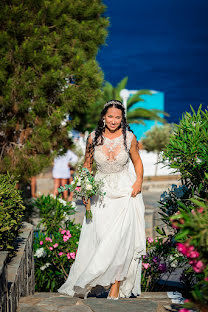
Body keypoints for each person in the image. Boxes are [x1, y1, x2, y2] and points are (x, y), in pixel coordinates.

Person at [58, 100, 146, 299]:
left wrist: (138, 181)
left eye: (117, 117)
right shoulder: (92, 138)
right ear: (103, 117)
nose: (113, 121)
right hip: (100, 194)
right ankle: (97, 280)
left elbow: (137, 162)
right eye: (110, 116)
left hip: (125, 192)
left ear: (122, 118)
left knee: (120, 240)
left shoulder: (129, 138)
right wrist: (84, 188)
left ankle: (115, 286)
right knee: (102, 240)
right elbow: (88, 166)